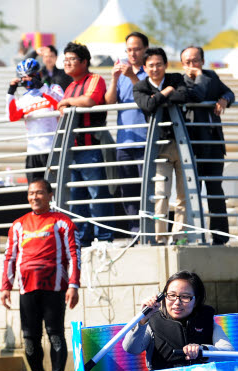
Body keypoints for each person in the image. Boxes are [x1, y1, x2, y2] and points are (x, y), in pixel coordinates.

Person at [0, 179, 80, 371]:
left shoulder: (62, 222)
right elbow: (10, 257)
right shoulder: (18, 224)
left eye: (39, 193)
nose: (34, 197)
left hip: (54, 287)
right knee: (29, 339)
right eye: (31, 193)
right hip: (27, 289)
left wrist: (73, 285)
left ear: (50, 195)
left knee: (55, 335)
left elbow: (74, 255)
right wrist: (6, 287)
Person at [133, 48, 200, 245]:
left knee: (183, 194)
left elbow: (185, 96)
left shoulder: (176, 78)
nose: (155, 69)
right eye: (151, 65)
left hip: (181, 143)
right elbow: (148, 105)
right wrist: (167, 92)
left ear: (165, 65)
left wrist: (162, 95)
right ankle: (159, 236)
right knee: (160, 194)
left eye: (159, 64)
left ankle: (179, 236)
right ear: (144, 67)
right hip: (159, 146)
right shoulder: (140, 87)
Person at [57, 42, 114, 247]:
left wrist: (66, 103)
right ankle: (82, 238)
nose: (67, 63)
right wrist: (66, 103)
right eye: (65, 60)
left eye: (72, 59)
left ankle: (105, 237)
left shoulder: (94, 79)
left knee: (97, 193)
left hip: (91, 148)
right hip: (73, 149)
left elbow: (90, 100)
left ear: (84, 62)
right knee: (77, 196)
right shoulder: (71, 86)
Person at [122, 270, 233, 370]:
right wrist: (143, 319)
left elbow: (230, 354)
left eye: (185, 297)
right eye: (171, 295)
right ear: (163, 297)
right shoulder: (150, 322)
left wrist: (203, 350)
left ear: (196, 301)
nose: (177, 302)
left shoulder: (207, 322)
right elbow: (131, 348)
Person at [180, 46, 235, 245]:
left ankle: (220, 237)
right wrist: (199, 75)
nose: (191, 65)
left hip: (213, 144)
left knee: (215, 192)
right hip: (193, 146)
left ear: (202, 60)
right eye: (187, 62)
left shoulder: (212, 76)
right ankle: (195, 236)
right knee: (191, 194)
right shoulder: (182, 81)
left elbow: (230, 92)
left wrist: (224, 99)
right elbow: (198, 95)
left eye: (195, 61)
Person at [104, 32, 149, 232]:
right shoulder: (121, 74)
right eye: (129, 49)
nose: (132, 53)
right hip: (124, 141)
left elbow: (147, 97)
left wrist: (132, 76)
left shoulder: (151, 71)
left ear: (145, 49)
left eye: (137, 48)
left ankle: (150, 231)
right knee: (128, 191)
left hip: (146, 141)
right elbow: (109, 101)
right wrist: (114, 79)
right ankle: (134, 231)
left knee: (147, 190)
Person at [6, 58, 64, 181]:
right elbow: (11, 116)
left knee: (54, 189)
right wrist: (10, 93)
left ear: (40, 74)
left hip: (53, 149)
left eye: (31, 76)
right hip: (33, 151)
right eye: (24, 77)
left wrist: (42, 87)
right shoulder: (23, 99)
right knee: (34, 189)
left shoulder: (54, 88)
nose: (28, 80)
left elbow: (60, 104)